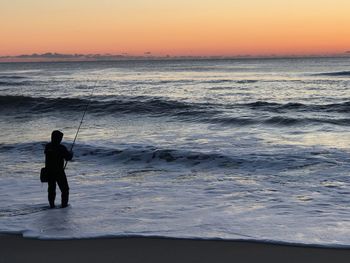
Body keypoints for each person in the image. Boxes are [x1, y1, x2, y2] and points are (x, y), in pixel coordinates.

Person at [44, 130, 73, 208]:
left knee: (51, 189)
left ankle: (52, 205)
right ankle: (64, 205)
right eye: (60, 138)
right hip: (59, 171)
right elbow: (68, 157)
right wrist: (71, 153)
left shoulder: (48, 146)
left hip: (49, 171)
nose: (61, 139)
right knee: (65, 189)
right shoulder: (61, 148)